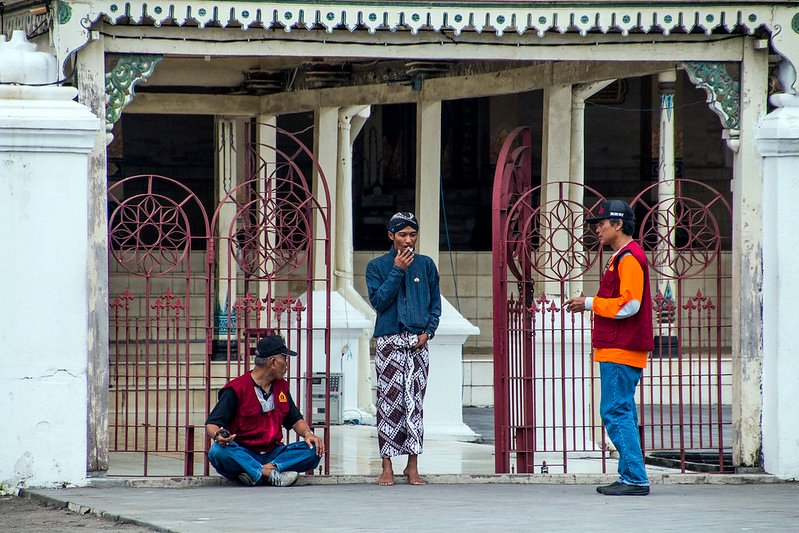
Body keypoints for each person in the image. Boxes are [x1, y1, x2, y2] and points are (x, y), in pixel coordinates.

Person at [565, 199, 653, 496]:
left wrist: (589, 302)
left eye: (602, 223)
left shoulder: (629, 257)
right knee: (623, 411)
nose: (598, 229)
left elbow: (630, 304)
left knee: (614, 411)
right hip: (621, 348)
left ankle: (635, 478)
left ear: (618, 225)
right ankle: (631, 475)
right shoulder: (623, 256)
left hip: (621, 349)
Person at [365, 212, 442, 486]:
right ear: (391, 236)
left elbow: (435, 304)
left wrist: (428, 332)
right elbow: (380, 302)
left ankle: (412, 465)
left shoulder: (426, 265)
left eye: (412, 234)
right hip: (389, 343)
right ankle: (386, 465)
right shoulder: (376, 267)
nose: (408, 240)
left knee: (414, 405)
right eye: (402, 235)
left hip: (418, 344)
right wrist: (397, 269)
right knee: (389, 405)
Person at [205, 334, 325, 487]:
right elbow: (212, 424)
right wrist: (218, 435)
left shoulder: (281, 387)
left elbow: (294, 418)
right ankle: (268, 474)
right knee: (217, 451)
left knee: (313, 449)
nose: (287, 364)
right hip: (243, 452)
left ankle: (258, 472)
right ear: (273, 362)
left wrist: (309, 434)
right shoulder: (236, 389)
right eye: (285, 359)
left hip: (273, 455)